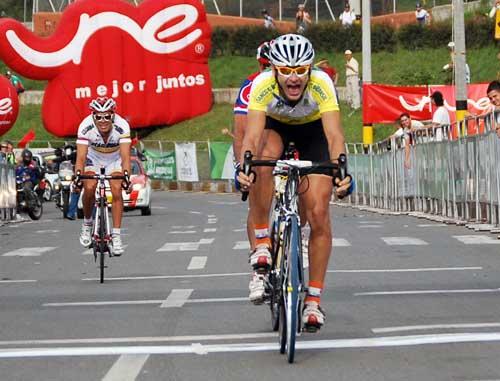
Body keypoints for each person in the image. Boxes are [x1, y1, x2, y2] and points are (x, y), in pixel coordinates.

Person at [237, 34, 353, 331]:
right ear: (274, 69)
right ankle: (263, 242)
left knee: (318, 213)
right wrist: (244, 165)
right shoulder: (262, 85)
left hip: (313, 132)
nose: (293, 77)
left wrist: (342, 170)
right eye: (286, 70)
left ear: (310, 69)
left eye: (301, 70)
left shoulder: (322, 84)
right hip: (276, 128)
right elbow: (251, 135)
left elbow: (335, 136)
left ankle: (313, 301)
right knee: (263, 161)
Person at [75, 97, 131, 255]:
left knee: (116, 188)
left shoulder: (122, 126)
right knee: (89, 185)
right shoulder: (85, 127)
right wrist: (78, 176)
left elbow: (126, 157)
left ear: (113, 115)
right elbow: (80, 157)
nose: (103, 120)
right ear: (93, 116)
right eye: (98, 117)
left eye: (107, 116)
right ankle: (87, 224)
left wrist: (126, 176)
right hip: (93, 158)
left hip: (115, 159)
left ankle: (117, 235)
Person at [233, 41, 272, 250]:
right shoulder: (250, 87)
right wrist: (242, 168)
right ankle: (258, 256)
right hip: (259, 148)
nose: (267, 70)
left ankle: (299, 230)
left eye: (272, 65)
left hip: (288, 143)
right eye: (264, 65)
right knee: (257, 205)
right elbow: (240, 132)